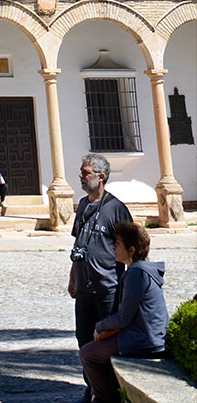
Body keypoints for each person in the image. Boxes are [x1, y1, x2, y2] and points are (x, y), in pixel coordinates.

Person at [79, 221, 168, 403]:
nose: (113, 246)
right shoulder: (139, 270)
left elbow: (124, 317)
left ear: (131, 250)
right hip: (143, 335)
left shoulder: (137, 274)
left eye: (118, 243)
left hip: (144, 340)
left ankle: (105, 399)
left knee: (88, 354)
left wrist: (100, 326)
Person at [68, 153, 131, 403]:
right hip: (84, 289)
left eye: (85, 172)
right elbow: (78, 244)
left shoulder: (116, 208)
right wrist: (73, 277)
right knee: (84, 340)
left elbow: (132, 248)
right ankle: (93, 388)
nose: (81, 176)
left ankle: (112, 392)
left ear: (101, 176)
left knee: (107, 342)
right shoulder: (83, 205)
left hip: (108, 288)